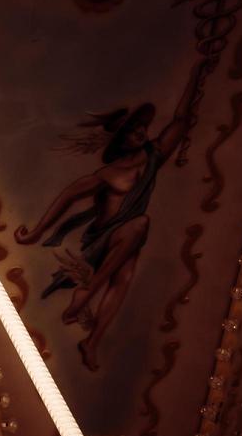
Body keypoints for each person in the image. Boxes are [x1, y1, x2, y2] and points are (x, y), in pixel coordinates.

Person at [16, 58, 211, 370]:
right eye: (134, 131)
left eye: (142, 129)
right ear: (121, 140)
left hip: (129, 239)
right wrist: (38, 232)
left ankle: (92, 341)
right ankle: (86, 292)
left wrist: (196, 79)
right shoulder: (108, 174)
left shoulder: (153, 157)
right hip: (106, 239)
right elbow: (68, 194)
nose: (141, 134)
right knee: (140, 224)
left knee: (125, 278)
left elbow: (180, 119)